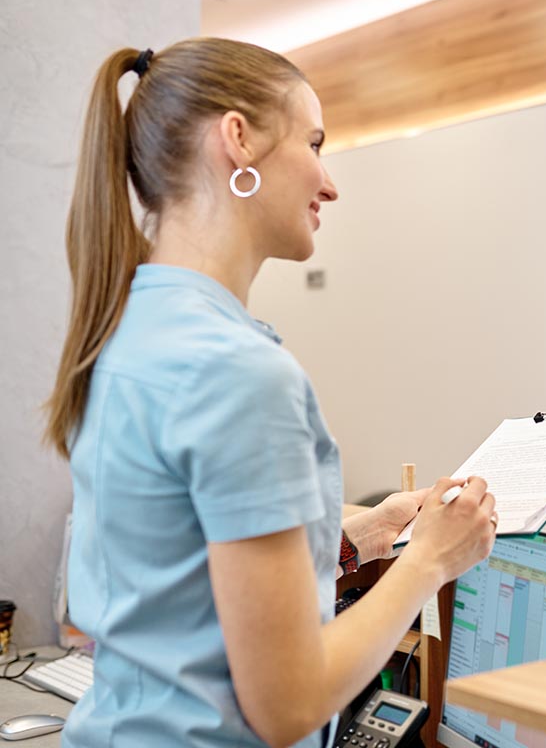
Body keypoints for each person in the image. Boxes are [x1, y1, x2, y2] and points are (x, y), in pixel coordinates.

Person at [44, 38, 498, 747]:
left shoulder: (127, 326)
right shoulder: (238, 372)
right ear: (238, 140)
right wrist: (429, 560)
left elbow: (182, 575)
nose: (329, 181)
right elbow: (287, 705)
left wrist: (360, 539)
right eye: (314, 142)